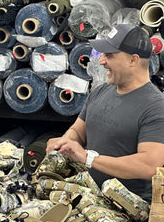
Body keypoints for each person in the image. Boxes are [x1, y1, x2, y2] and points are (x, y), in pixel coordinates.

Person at [46, 24, 164, 202]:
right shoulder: (101, 92)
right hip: (91, 197)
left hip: (128, 210)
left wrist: (88, 158)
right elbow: (78, 131)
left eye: (109, 55)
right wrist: (65, 143)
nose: (101, 61)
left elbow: (149, 166)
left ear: (133, 60)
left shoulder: (155, 107)